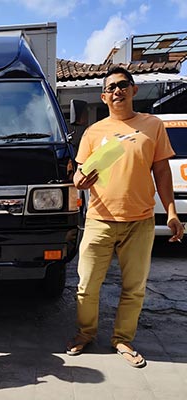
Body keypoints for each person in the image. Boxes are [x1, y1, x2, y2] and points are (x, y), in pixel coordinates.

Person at [67, 67, 184, 368]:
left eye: (123, 85)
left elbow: (161, 171)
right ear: (104, 97)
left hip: (140, 221)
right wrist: (80, 179)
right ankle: (85, 333)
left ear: (133, 90)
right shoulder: (93, 132)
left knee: (134, 288)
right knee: (87, 285)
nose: (117, 91)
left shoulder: (152, 125)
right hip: (99, 220)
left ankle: (122, 339)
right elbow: (79, 172)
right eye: (111, 87)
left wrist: (171, 212)